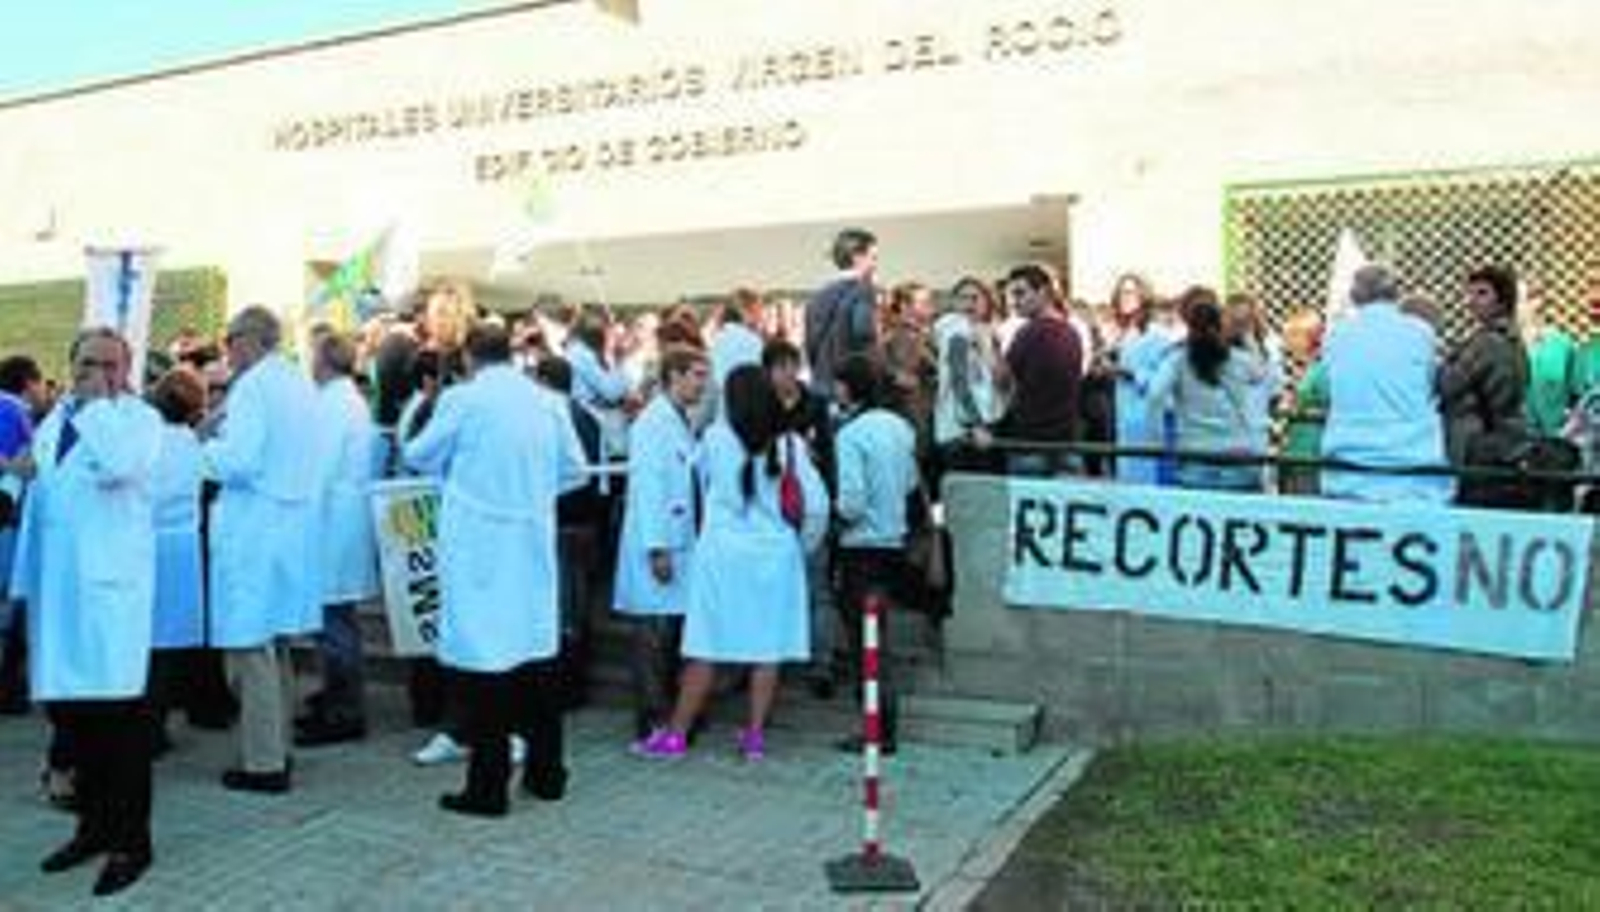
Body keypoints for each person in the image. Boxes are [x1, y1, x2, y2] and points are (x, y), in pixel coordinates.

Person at [405, 323, 586, 817]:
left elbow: (418, 454)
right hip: (529, 539)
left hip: (479, 545)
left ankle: (487, 787)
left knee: (484, 664)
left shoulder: (464, 400)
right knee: (535, 655)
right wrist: (533, 496)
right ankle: (547, 773)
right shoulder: (546, 401)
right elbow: (575, 469)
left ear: (468, 357)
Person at [9, 328, 163, 897]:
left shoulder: (139, 422)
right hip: (60, 595)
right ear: (69, 366)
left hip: (107, 599)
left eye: (110, 365)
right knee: (74, 725)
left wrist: (96, 406)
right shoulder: (55, 420)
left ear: (126, 370)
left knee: (119, 727)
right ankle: (92, 828)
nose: (97, 374)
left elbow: (120, 465)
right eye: (87, 364)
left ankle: (132, 843)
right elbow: (40, 489)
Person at [633, 365, 828, 760]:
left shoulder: (715, 438)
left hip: (722, 553)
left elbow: (696, 485)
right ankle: (754, 737)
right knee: (766, 650)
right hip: (774, 554)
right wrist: (800, 547)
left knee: (706, 644)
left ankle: (676, 735)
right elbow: (818, 505)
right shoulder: (790, 443)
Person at [203, 306, 325, 794]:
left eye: (229, 339)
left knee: (248, 648)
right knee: (275, 645)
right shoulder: (297, 383)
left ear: (249, 339)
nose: (226, 350)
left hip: (254, 528)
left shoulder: (253, 387)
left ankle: (263, 763)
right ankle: (279, 748)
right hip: (289, 527)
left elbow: (241, 460)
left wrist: (199, 449)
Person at [613, 346, 709, 738]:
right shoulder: (653, 423)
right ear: (674, 376)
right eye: (697, 375)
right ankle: (652, 720)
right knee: (651, 640)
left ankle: (671, 714)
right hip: (660, 545)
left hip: (680, 541)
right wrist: (657, 548)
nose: (703, 384)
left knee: (668, 637)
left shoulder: (680, 419)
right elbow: (650, 489)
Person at [830, 354, 919, 754]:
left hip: (861, 547)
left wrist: (832, 519)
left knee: (864, 642)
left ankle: (876, 730)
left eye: (839, 383)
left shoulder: (850, 434)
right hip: (894, 542)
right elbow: (910, 483)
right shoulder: (900, 427)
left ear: (850, 387)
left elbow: (852, 501)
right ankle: (885, 726)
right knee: (879, 638)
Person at [297, 330, 381, 747]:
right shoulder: (347, 400)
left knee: (333, 621)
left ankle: (344, 710)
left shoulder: (333, 404)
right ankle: (336, 696)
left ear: (324, 361)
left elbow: (320, 466)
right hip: (341, 518)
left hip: (331, 520)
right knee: (337, 618)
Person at [1320, 264, 1452, 503]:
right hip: (1414, 469)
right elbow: (1432, 385)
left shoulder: (1336, 335)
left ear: (1353, 296)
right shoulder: (1421, 333)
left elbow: (1329, 390)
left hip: (1346, 469)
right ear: (1396, 294)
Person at [764, 339, 838, 695]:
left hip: (811, 507)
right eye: (779, 367)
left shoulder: (816, 404)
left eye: (792, 365)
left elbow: (829, 453)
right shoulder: (760, 406)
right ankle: (770, 659)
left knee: (817, 589)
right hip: (772, 510)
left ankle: (821, 663)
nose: (787, 374)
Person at [1147, 288, 1271, 492]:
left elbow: (1154, 395)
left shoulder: (1177, 359)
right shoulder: (1237, 359)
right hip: (1238, 455)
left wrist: (1157, 441)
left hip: (1195, 457)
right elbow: (1260, 374)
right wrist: (1247, 336)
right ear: (1220, 325)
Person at [145, 367, 208, 753]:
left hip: (150, 545)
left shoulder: (148, 441)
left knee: (147, 642)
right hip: (182, 548)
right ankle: (157, 724)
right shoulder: (192, 442)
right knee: (168, 645)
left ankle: (145, 726)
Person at [995, 263, 1083, 475]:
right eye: (1012, 295)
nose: (1014, 302)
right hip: (1067, 442)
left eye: (1020, 293)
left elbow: (1001, 381)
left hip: (1030, 443)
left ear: (1043, 292)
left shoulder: (1028, 333)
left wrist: (988, 346)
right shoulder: (1072, 332)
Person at [0, 353, 44, 715]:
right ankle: (8, 688)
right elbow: (25, 463)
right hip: (7, 516)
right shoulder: (13, 410)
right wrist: (18, 466)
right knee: (11, 601)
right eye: (40, 382)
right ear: (28, 382)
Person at [932, 277, 1004, 481]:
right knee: (970, 492)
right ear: (954, 303)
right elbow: (959, 380)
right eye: (963, 298)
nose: (969, 304)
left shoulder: (983, 331)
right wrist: (976, 425)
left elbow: (996, 378)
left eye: (975, 298)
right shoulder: (956, 330)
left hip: (981, 422)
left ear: (987, 302)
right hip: (962, 430)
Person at [805, 227, 880, 399]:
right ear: (857, 258)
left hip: (821, 386)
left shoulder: (817, 296)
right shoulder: (863, 292)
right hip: (851, 390)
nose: (875, 265)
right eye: (873, 258)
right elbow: (864, 337)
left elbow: (811, 345)